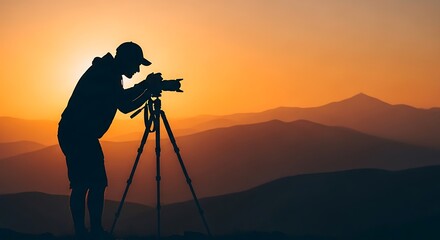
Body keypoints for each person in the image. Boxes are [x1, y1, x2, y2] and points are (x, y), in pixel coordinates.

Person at [57, 42, 162, 239]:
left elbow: (121, 100)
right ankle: (88, 232)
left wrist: (145, 87)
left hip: (77, 132)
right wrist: (147, 88)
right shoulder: (107, 74)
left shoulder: (108, 71)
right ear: (126, 60)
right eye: (136, 64)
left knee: (91, 183)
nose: (138, 69)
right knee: (87, 184)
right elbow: (124, 104)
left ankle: (88, 231)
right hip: (78, 133)